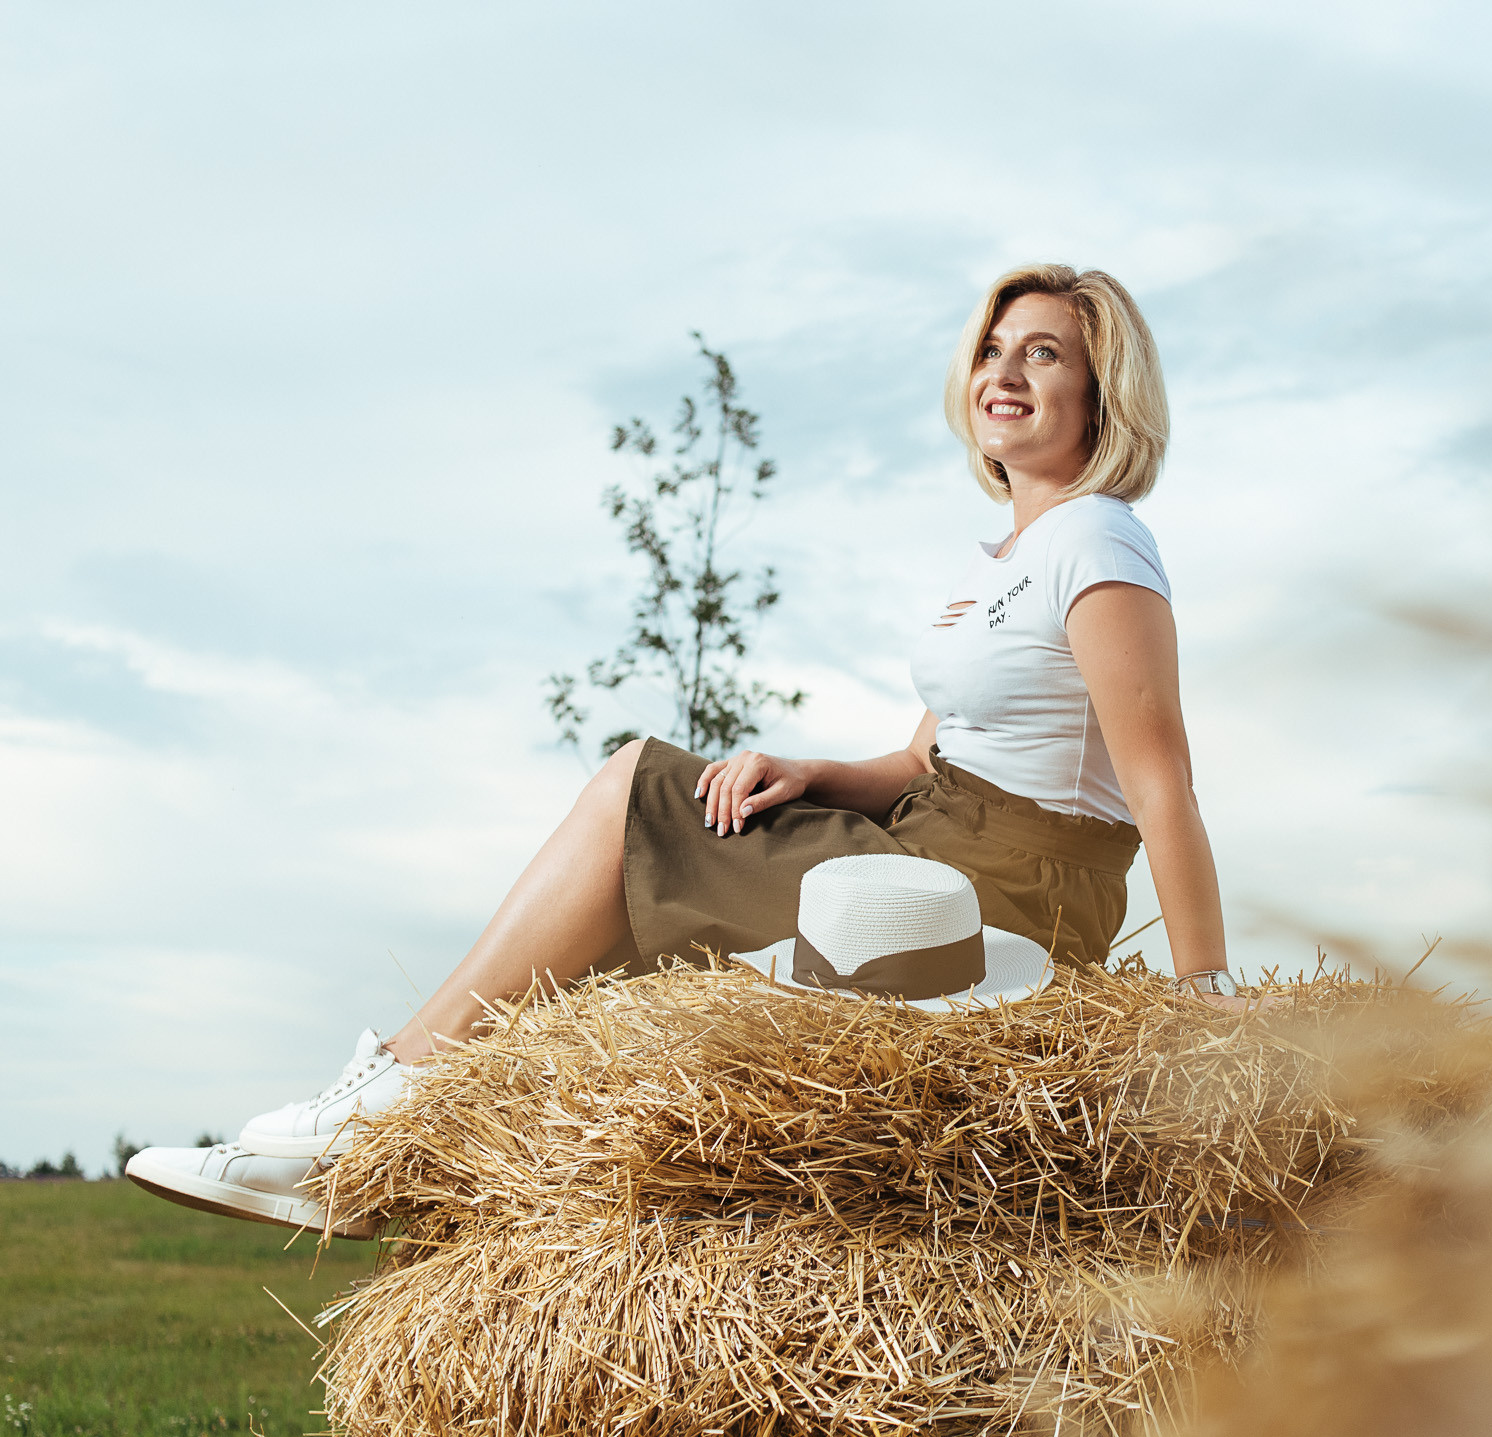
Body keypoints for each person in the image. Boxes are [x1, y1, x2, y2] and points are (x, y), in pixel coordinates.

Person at [124, 263, 1241, 1237]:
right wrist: (806, 771)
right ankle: (408, 1134)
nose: (1003, 371)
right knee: (669, 817)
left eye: (1042, 353)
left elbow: (1160, 781)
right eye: (992, 349)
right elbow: (923, 760)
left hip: (1004, 887)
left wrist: (1205, 991)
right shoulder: (1006, 557)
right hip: (933, 835)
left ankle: (376, 1112)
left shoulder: (1100, 540)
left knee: (634, 796)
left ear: (1101, 391)